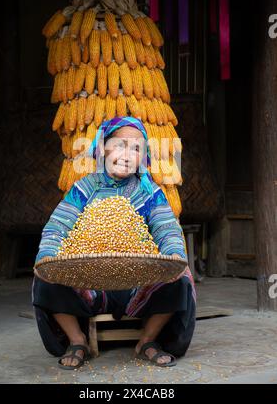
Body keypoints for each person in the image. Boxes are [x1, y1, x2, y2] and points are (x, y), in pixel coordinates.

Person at [32, 116, 196, 370]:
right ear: (102, 147)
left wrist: (172, 255)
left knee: (179, 276)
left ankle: (147, 341)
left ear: (143, 156)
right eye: (120, 145)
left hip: (138, 283)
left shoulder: (149, 192)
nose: (127, 154)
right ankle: (77, 340)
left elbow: (167, 230)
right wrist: (48, 254)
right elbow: (57, 227)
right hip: (89, 282)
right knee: (46, 275)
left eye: (136, 148)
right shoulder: (84, 189)